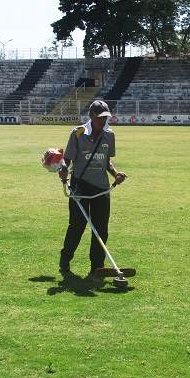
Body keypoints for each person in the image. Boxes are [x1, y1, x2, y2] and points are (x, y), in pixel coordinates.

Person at [58, 100, 126, 276]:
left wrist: (116, 174)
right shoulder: (78, 133)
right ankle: (65, 258)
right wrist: (64, 169)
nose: (103, 121)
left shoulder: (109, 134)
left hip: (101, 188)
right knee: (77, 226)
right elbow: (67, 158)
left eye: (106, 117)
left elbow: (107, 160)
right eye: (100, 117)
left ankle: (97, 267)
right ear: (91, 116)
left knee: (101, 228)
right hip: (80, 186)